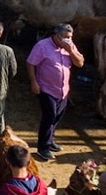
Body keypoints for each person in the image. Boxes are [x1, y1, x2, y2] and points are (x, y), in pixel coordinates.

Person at [26, 23, 83, 161]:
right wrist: (33, 82)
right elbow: (30, 63)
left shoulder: (70, 46)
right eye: (66, 37)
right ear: (57, 36)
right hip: (46, 88)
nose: (69, 40)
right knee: (49, 116)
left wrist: (71, 51)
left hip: (63, 90)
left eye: (70, 37)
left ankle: (50, 140)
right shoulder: (42, 46)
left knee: (57, 116)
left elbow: (80, 63)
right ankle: (43, 148)